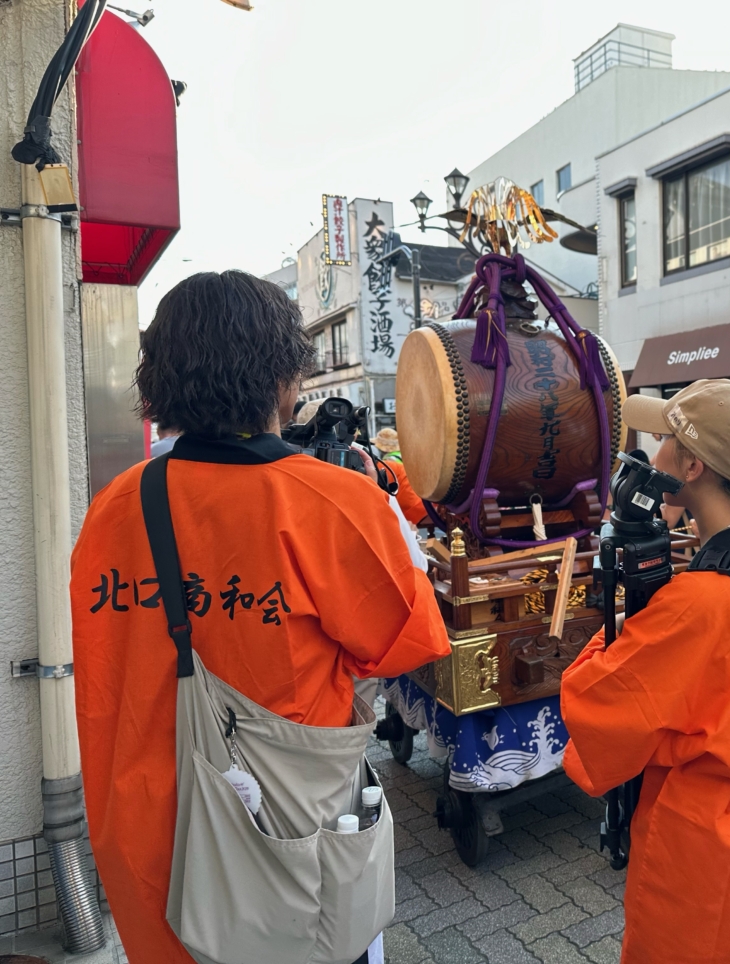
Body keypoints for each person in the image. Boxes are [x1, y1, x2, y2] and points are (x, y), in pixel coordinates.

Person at [70, 271, 453, 964]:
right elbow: (410, 642)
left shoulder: (113, 510)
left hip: (143, 827)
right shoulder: (334, 501)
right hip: (280, 833)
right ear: (285, 378)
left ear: (159, 380)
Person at [560, 379, 730, 964]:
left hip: (706, 860)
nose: (649, 450)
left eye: (661, 437)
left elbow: (596, 702)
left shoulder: (699, 604)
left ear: (689, 465)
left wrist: (625, 622)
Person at [373, 426, 429, 528]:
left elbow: (385, 490)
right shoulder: (405, 456)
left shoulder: (389, 461)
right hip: (422, 499)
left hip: (409, 505)